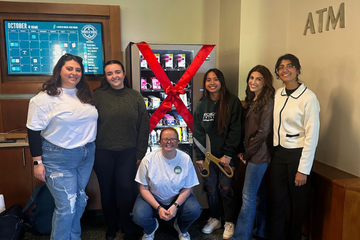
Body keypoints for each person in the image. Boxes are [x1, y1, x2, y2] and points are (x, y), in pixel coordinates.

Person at [26, 53, 98, 240]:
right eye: (70, 68)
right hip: (58, 157)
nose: (74, 73)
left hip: (86, 154)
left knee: (80, 202)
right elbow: (33, 131)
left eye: (78, 70)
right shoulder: (44, 99)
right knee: (67, 206)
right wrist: (37, 163)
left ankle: (74, 237)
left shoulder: (83, 95)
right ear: (59, 71)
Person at [93, 60, 150, 240]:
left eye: (117, 72)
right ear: (106, 77)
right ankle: (111, 225)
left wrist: (140, 152)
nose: (114, 76)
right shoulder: (97, 96)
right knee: (107, 190)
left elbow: (144, 126)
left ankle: (127, 225)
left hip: (128, 151)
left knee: (126, 189)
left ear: (124, 74)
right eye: (109, 73)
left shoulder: (135, 96)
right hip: (102, 151)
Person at [271, 54, 320, 240]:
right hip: (279, 154)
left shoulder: (309, 98)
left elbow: (312, 136)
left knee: (298, 204)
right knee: (277, 202)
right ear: (277, 72)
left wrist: (303, 170)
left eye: (290, 66)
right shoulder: (278, 93)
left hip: (298, 156)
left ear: (298, 70)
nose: (285, 70)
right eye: (281, 67)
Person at [193, 68, 243, 239]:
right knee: (211, 188)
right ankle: (215, 218)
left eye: (215, 79)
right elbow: (198, 132)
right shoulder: (202, 104)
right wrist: (200, 157)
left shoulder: (233, 102)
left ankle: (230, 221)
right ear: (205, 84)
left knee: (225, 188)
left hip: (227, 158)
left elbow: (236, 130)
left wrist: (228, 155)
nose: (212, 83)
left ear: (221, 82)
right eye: (208, 80)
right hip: (208, 158)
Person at [132, 127, 202, 240]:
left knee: (195, 210)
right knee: (138, 215)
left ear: (178, 142)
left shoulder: (185, 159)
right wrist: (158, 207)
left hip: (177, 198)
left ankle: (181, 227)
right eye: (165, 139)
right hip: (153, 197)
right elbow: (143, 188)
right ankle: (151, 228)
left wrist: (175, 205)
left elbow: (188, 187)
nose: (169, 142)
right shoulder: (148, 159)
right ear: (159, 142)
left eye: (172, 139)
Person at [231, 65, 275, 240]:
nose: (253, 81)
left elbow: (263, 133)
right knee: (259, 194)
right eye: (251, 78)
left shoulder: (268, 101)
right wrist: (243, 151)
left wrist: (247, 154)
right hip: (254, 154)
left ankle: (241, 237)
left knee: (248, 196)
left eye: (259, 79)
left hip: (259, 156)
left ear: (266, 82)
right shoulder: (253, 100)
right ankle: (262, 230)